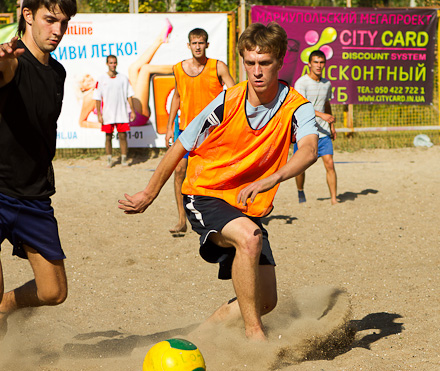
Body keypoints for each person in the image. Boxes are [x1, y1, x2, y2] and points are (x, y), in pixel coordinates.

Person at [119, 22, 319, 341]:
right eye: (250, 63)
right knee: (250, 238)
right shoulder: (228, 100)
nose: (256, 71)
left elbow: (309, 149)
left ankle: (199, 337)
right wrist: (148, 193)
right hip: (206, 193)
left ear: (280, 61)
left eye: (265, 63)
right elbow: (181, 145)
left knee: (265, 300)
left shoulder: (297, 107)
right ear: (243, 61)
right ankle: (256, 337)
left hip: (246, 205)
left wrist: (274, 178)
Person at [0, 0, 76, 371]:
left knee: (54, 291)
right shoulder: (10, 61)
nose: (57, 29)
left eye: (63, 22)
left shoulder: (57, 72)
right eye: (50, 19)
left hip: (34, 196)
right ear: (28, 16)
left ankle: (7, 307)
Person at [165, 28, 235, 236]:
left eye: (201, 42)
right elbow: (177, 97)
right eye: (194, 43)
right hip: (185, 129)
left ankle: (220, 217)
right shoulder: (178, 68)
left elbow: (234, 94)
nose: (197, 46)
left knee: (213, 174)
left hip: (211, 131)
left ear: (207, 45)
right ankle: (181, 220)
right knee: (179, 172)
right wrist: (170, 127)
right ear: (189, 45)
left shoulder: (217, 66)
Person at [293, 50, 337, 205]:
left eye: (321, 62)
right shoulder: (301, 83)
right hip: (305, 132)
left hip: (323, 132)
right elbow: (301, 107)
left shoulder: (327, 84)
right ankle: (300, 191)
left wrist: (331, 125)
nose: (319, 65)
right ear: (309, 64)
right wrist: (321, 115)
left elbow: (327, 104)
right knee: (300, 167)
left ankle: (333, 199)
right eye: (316, 62)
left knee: (330, 163)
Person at [94, 54, 136, 167]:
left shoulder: (123, 78)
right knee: (108, 136)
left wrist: (132, 110)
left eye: (114, 62)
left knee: (123, 136)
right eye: (111, 63)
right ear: (107, 64)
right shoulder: (101, 79)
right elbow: (97, 97)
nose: (113, 65)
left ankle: (123, 159)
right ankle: (109, 159)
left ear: (117, 63)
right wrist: (99, 114)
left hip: (121, 113)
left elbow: (129, 95)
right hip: (108, 114)